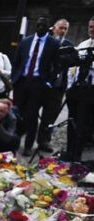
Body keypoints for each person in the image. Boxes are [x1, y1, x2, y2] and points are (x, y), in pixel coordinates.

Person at [11, 16, 60, 156]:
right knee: (17, 113)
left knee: (31, 116)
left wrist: (48, 82)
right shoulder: (26, 41)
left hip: (39, 84)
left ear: (48, 27)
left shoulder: (53, 43)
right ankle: (14, 141)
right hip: (22, 82)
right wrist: (15, 78)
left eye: (43, 26)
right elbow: (17, 61)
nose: (40, 28)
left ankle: (28, 145)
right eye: (38, 25)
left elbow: (57, 66)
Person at [38, 18, 74, 153]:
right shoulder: (44, 41)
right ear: (54, 28)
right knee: (31, 111)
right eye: (61, 27)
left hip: (57, 87)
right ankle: (26, 137)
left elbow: (71, 64)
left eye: (65, 28)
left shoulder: (69, 45)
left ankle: (43, 141)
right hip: (41, 84)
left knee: (50, 116)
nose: (63, 31)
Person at [63, 16, 94, 162]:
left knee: (83, 124)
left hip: (91, 90)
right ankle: (69, 152)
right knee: (72, 121)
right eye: (90, 27)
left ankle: (77, 155)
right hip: (76, 88)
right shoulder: (83, 44)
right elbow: (74, 66)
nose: (91, 30)